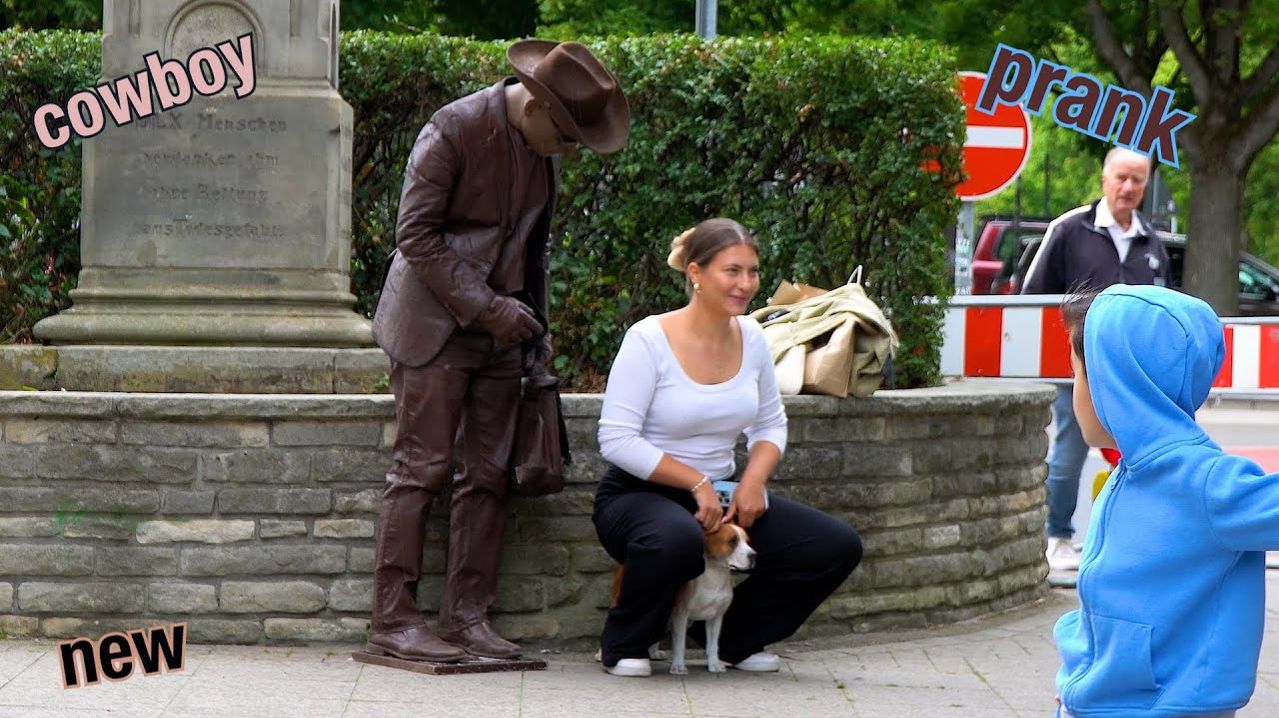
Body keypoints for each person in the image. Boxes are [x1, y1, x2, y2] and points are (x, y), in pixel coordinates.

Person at [366, 40, 630, 663]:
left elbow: (531, 250)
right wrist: (487, 307)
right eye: (564, 137)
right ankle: (393, 622)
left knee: (487, 476)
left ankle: (466, 617)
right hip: (433, 328)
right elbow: (416, 237)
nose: (567, 152)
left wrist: (533, 329)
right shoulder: (453, 129)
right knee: (420, 469)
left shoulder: (544, 150)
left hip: (505, 334)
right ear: (535, 105)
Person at [592, 218, 863, 677]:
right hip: (638, 495)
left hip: (720, 494)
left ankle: (734, 638)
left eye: (752, 272)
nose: (746, 284)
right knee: (677, 538)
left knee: (834, 546)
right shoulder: (648, 339)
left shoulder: (752, 337)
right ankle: (624, 643)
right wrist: (694, 482)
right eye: (732, 271)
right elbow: (616, 439)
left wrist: (753, 481)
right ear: (695, 273)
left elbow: (770, 423)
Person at [1053, 284, 1277, 718]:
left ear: (1118, 384)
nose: (1073, 391)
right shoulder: (1130, 471)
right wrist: (1079, 679)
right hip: (1102, 701)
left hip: (1169, 706)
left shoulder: (1203, 482)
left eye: (1078, 374)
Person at [1021, 147, 1169, 572]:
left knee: (1137, 451)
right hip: (1077, 366)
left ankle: (1126, 537)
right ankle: (1058, 535)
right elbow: (1034, 297)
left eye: (1137, 180)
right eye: (1121, 177)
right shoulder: (1068, 229)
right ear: (1104, 179)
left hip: (1134, 370)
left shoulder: (1151, 240)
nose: (1128, 187)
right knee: (1071, 446)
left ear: (1145, 186)